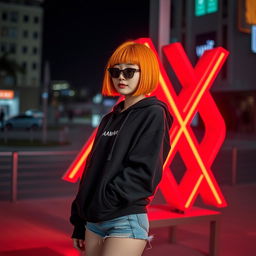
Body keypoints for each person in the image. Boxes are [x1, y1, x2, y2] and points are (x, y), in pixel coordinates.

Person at [70, 41, 173, 256]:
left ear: (146, 72)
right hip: (93, 221)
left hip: (125, 220)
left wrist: (104, 200)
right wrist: (80, 221)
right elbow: (91, 171)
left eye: (129, 71)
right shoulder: (109, 119)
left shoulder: (153, 114)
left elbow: (144, 172)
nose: (121, 77)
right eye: (116, 71)